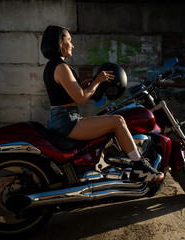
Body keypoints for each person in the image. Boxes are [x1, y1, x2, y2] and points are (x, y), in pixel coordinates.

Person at [41, 25, 164, 182]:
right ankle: (139, 166)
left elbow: (68, 95)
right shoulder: (61, 67)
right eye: (69, 40)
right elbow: (81, 98)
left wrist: (88, 84)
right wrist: (98, 81)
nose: (73, 45)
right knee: (117, 121)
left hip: (61, 119)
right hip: (66, 122)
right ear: (60, 42)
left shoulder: (53, 66)